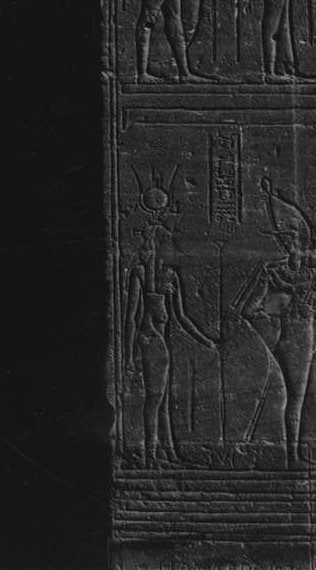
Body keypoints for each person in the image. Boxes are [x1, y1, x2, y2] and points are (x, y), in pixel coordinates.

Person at [234, 178, 316, 468]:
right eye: (283, 239)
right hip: (289, 339)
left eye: (291, 238)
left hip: (310, 337)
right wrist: (276, 325)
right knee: (297, 396)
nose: (287, 243)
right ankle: (293, 454)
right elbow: (250, 309)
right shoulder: (272, 272)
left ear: (302, 240)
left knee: (314, 394)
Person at [123, 185, 216, 465]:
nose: (169, 249)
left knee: (162, 399)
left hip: (160, 342)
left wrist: (206, 339)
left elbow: (182, 318)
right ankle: (151, 455)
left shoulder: (170, 278)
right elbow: (131, 317)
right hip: (149, 340)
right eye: (164, 244)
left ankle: (167, 452)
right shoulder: (140, 273)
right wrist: (128, 356)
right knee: (155, 398)